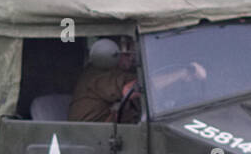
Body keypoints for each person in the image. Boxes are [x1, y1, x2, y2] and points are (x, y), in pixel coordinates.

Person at [68, 37, 207, 123]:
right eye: (127, 49)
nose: (132, 55)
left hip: (114, 133)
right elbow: (131, 89)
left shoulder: (124, 72)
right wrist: (181, 73)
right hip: (93, 137)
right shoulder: (98, 72)